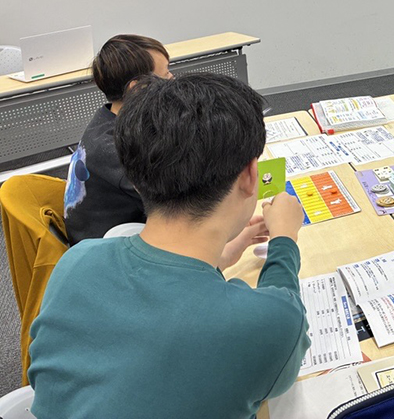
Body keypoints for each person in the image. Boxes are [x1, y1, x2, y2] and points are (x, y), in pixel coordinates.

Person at [29, 73, 310, 418]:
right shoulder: (265, 323)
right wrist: (285, 239)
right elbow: (285, 314)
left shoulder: (77, 262)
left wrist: (221, 256)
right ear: (250, 176)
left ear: (134, 177)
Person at [63, 34, 172, 244]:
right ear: (138, 88)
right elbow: (173, 202)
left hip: (125, 226)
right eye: (166, 74)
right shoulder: (112, 149)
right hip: (108, 246)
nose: (172, 79)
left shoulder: (112, 119)